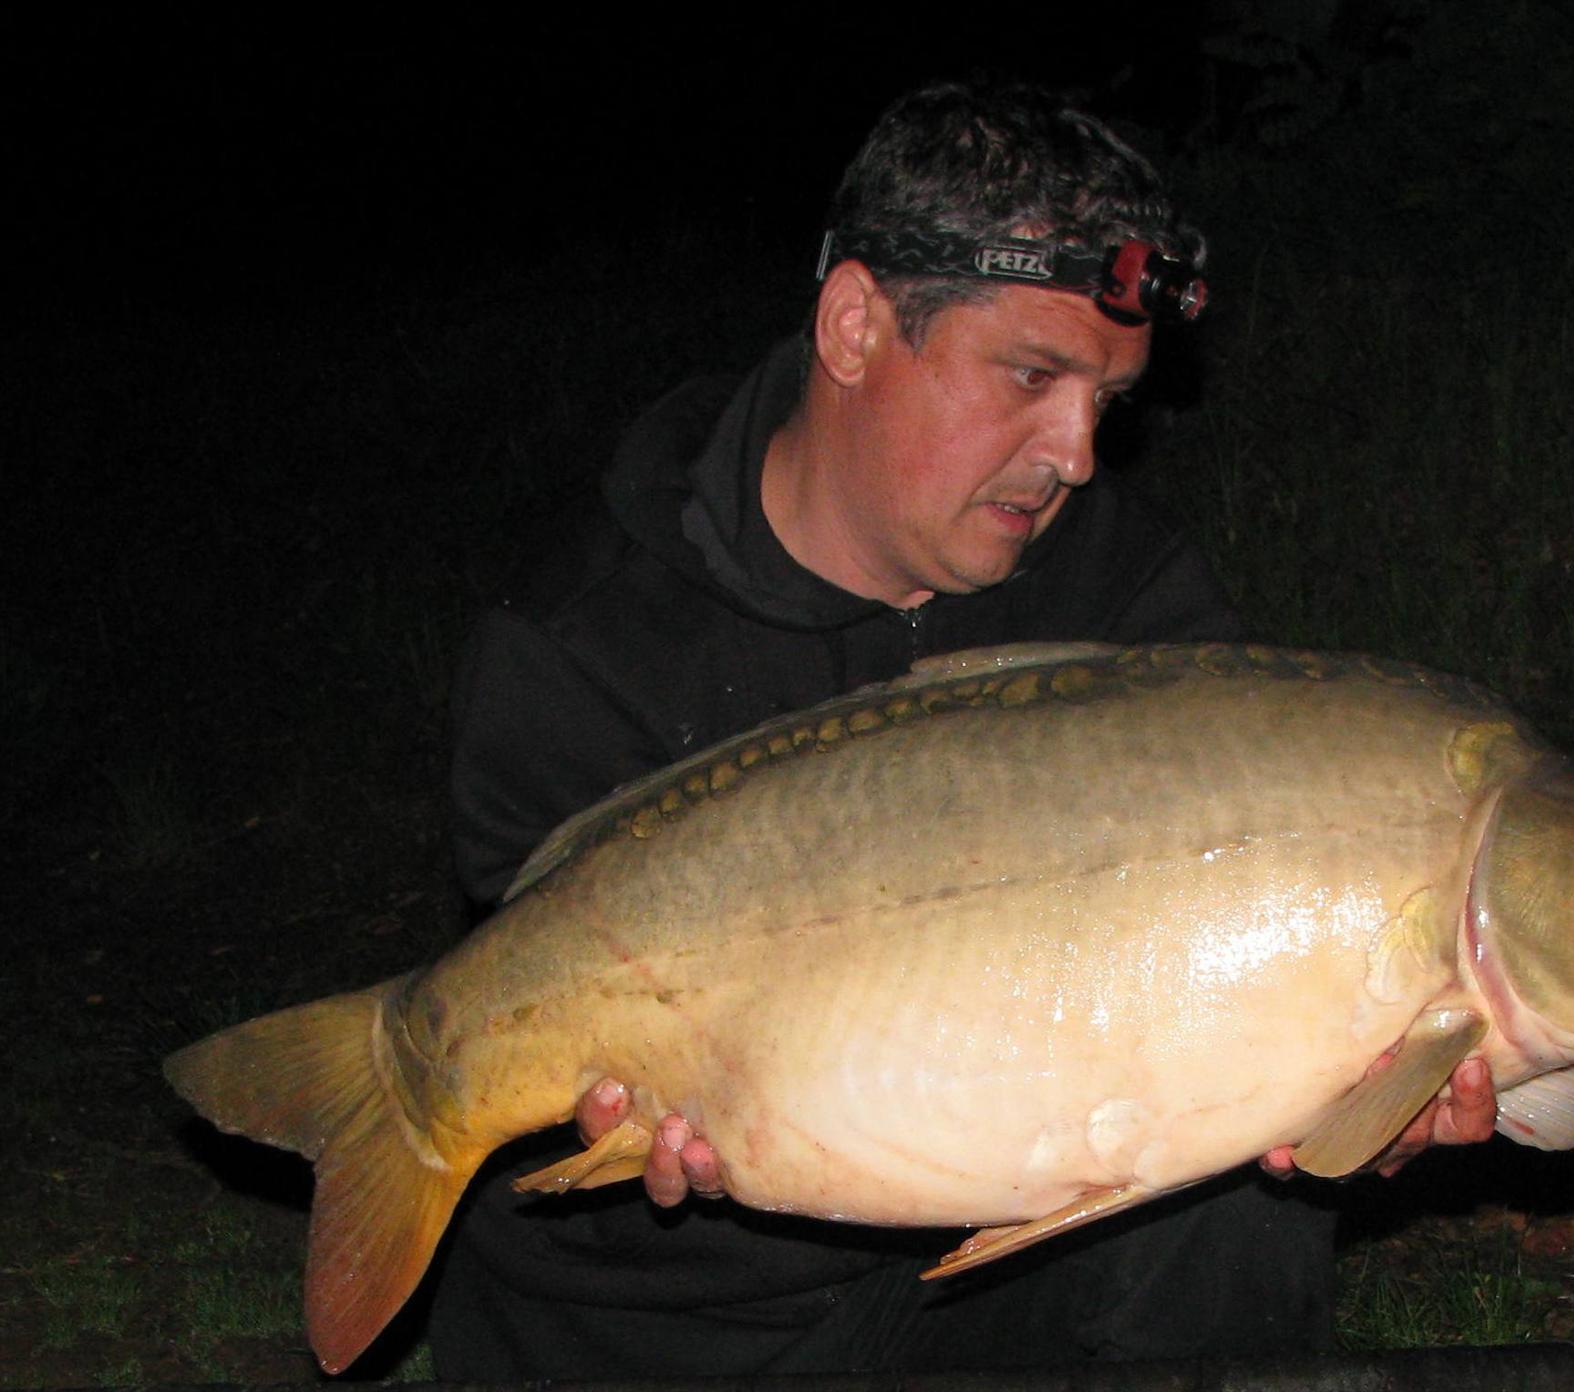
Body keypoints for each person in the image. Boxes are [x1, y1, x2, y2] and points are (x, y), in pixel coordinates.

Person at [434, 81, 1495, 1380]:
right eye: (1033, 377)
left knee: (1238, 1198)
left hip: (984, 1279)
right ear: (856, 327)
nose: (1077, 456)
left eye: (1105, 401)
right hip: (665, 1324)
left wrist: (1359, 1093)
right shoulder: (580, 648)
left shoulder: (1126, 604)